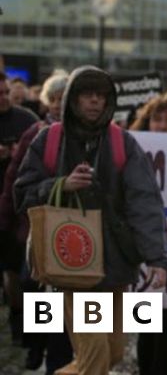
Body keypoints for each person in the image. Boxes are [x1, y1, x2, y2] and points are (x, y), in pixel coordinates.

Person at [14, 66, 167, 375]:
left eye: (101, 95)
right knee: (95, 354)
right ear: (73, 99)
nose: (95, 102)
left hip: (116, 264)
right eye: (88, 94)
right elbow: (23, 195)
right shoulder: (48, 139)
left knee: (110, 354)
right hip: (69, 264)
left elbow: (146, 202)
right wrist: (60, 186)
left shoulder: (123, 143)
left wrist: (157, 258)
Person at [0, 71, 72, 373]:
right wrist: (7, 221)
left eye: (63, 99)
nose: (57, 105)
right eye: (53, 99)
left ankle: (56, 357)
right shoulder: (37, 132)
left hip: (73, 229)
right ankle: (35, 343)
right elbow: (15, 179)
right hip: (37, 227)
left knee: (61, 295)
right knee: (33, 286)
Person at [128, 94, 167, 375]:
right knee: (145, 327)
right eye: (158, 119)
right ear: (147, 122)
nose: (163, 126)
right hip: (143, 252)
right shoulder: (130, 150)